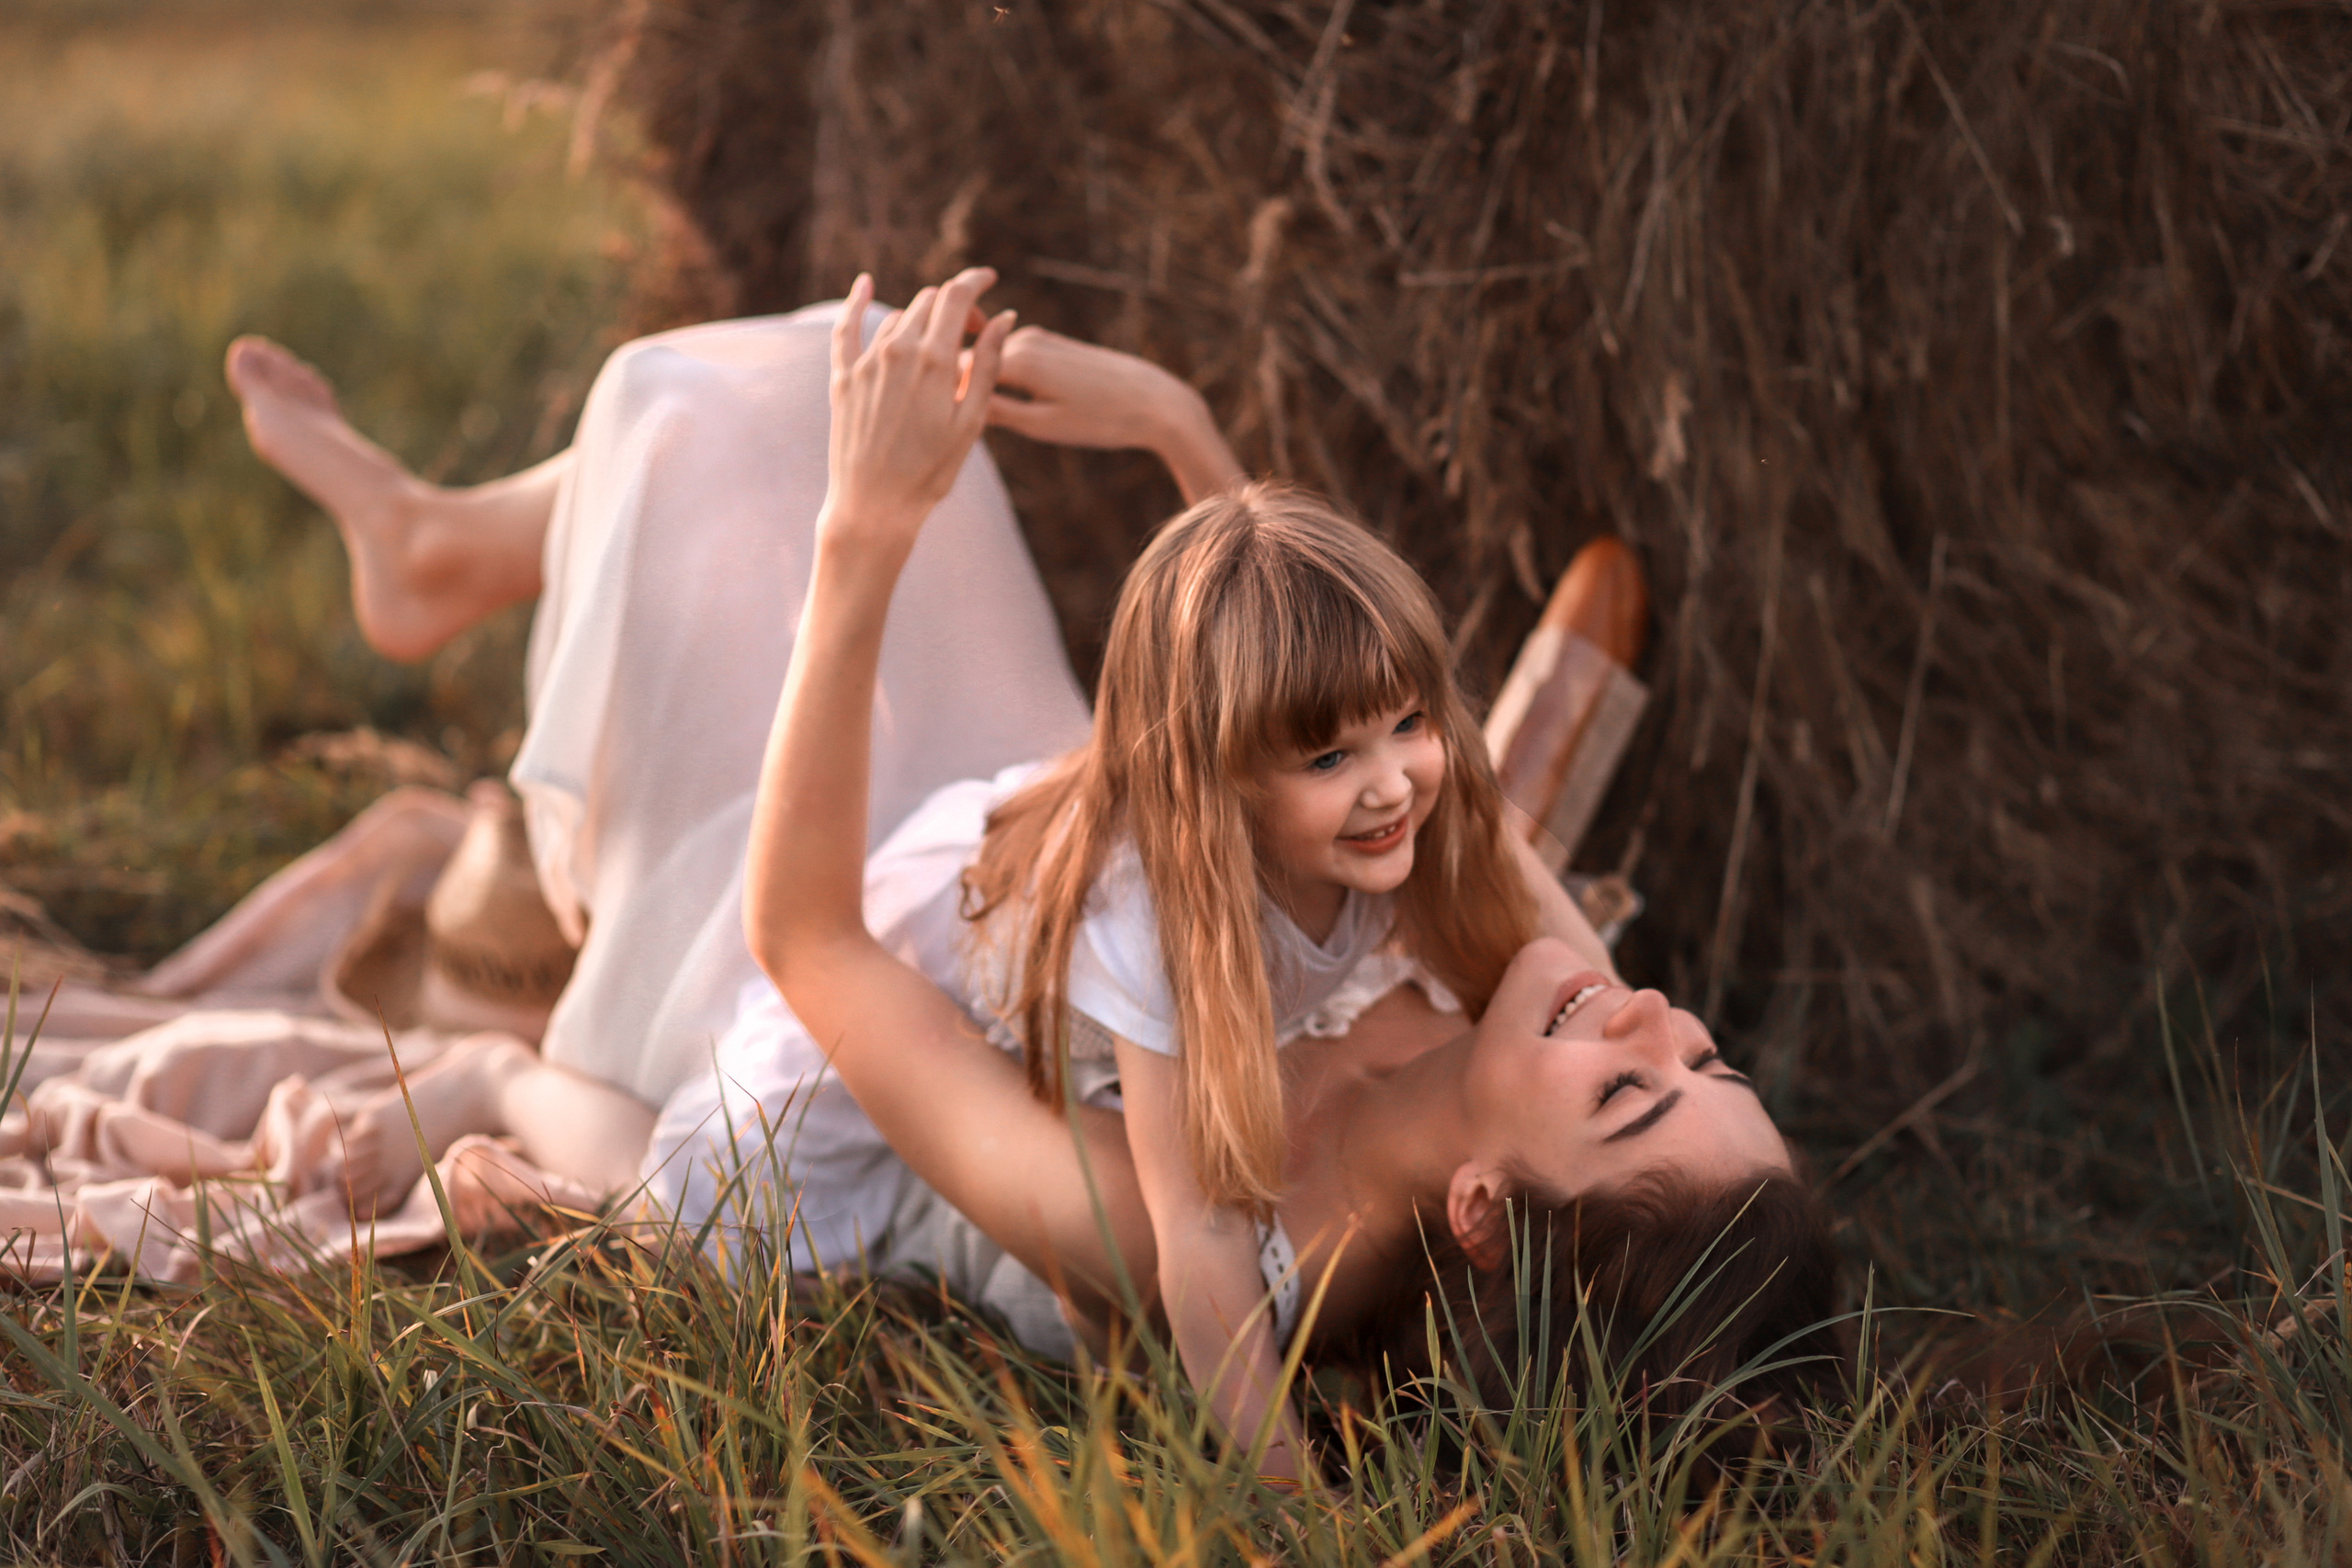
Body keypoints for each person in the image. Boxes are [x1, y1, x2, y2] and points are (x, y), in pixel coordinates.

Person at [225, 272, 1835, 1481]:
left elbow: (811, 945)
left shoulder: (1165, 1225)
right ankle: (442, 549)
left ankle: (506, 1075)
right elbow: (1341, 711)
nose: (1651, 1015)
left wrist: (867, 535)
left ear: (1483, 1212)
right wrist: (1179, 431)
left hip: (797, 995)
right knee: (847, 364)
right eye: (1707, 1059)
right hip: (1032, 851)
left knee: (692, 413)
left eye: (1632, 1094)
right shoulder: (1522, 1001)